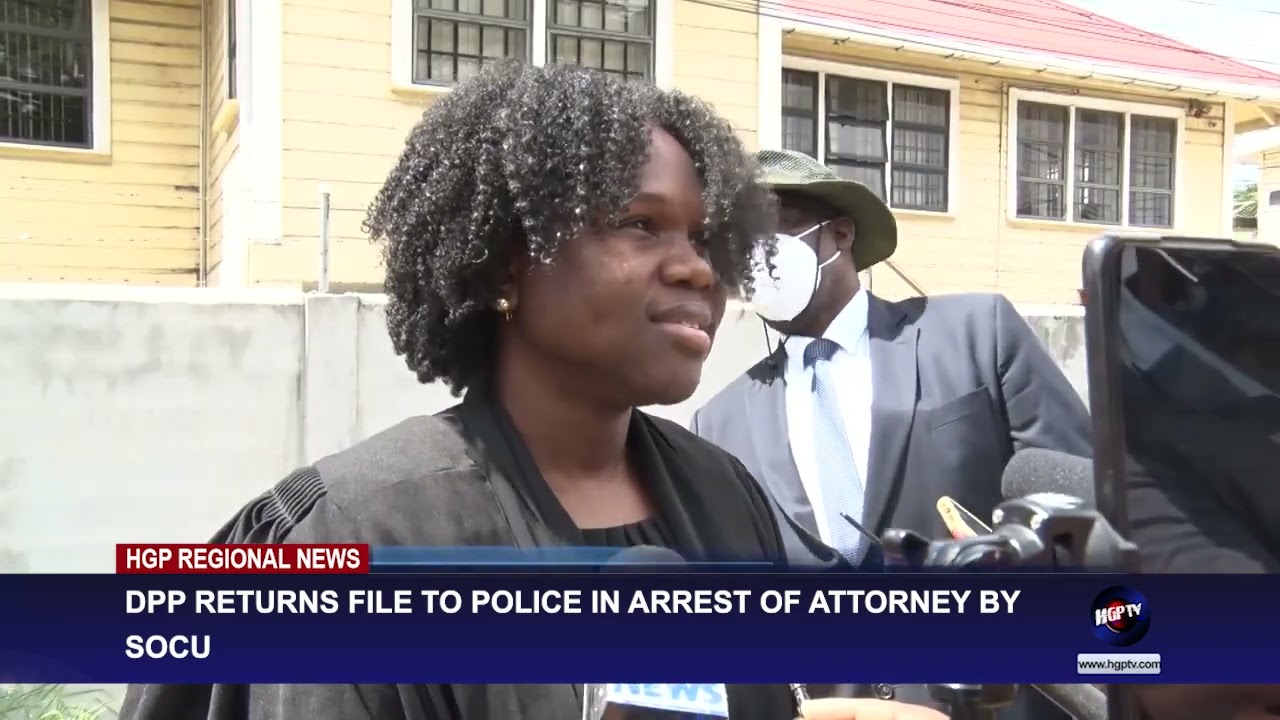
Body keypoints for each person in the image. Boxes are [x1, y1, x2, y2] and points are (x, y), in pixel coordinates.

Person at [116, 62, 920, 720]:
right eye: (641, 225)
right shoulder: (359, 537)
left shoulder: (725, 497)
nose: (697, 269)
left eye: (706, 238)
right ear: (507, 265)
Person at [689, 150, 1091, 716]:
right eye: (736, 245)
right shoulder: (719, 420)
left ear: (840, 234)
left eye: (769, 232)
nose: (753, 258)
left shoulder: (977, 335)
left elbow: (1087, 526)